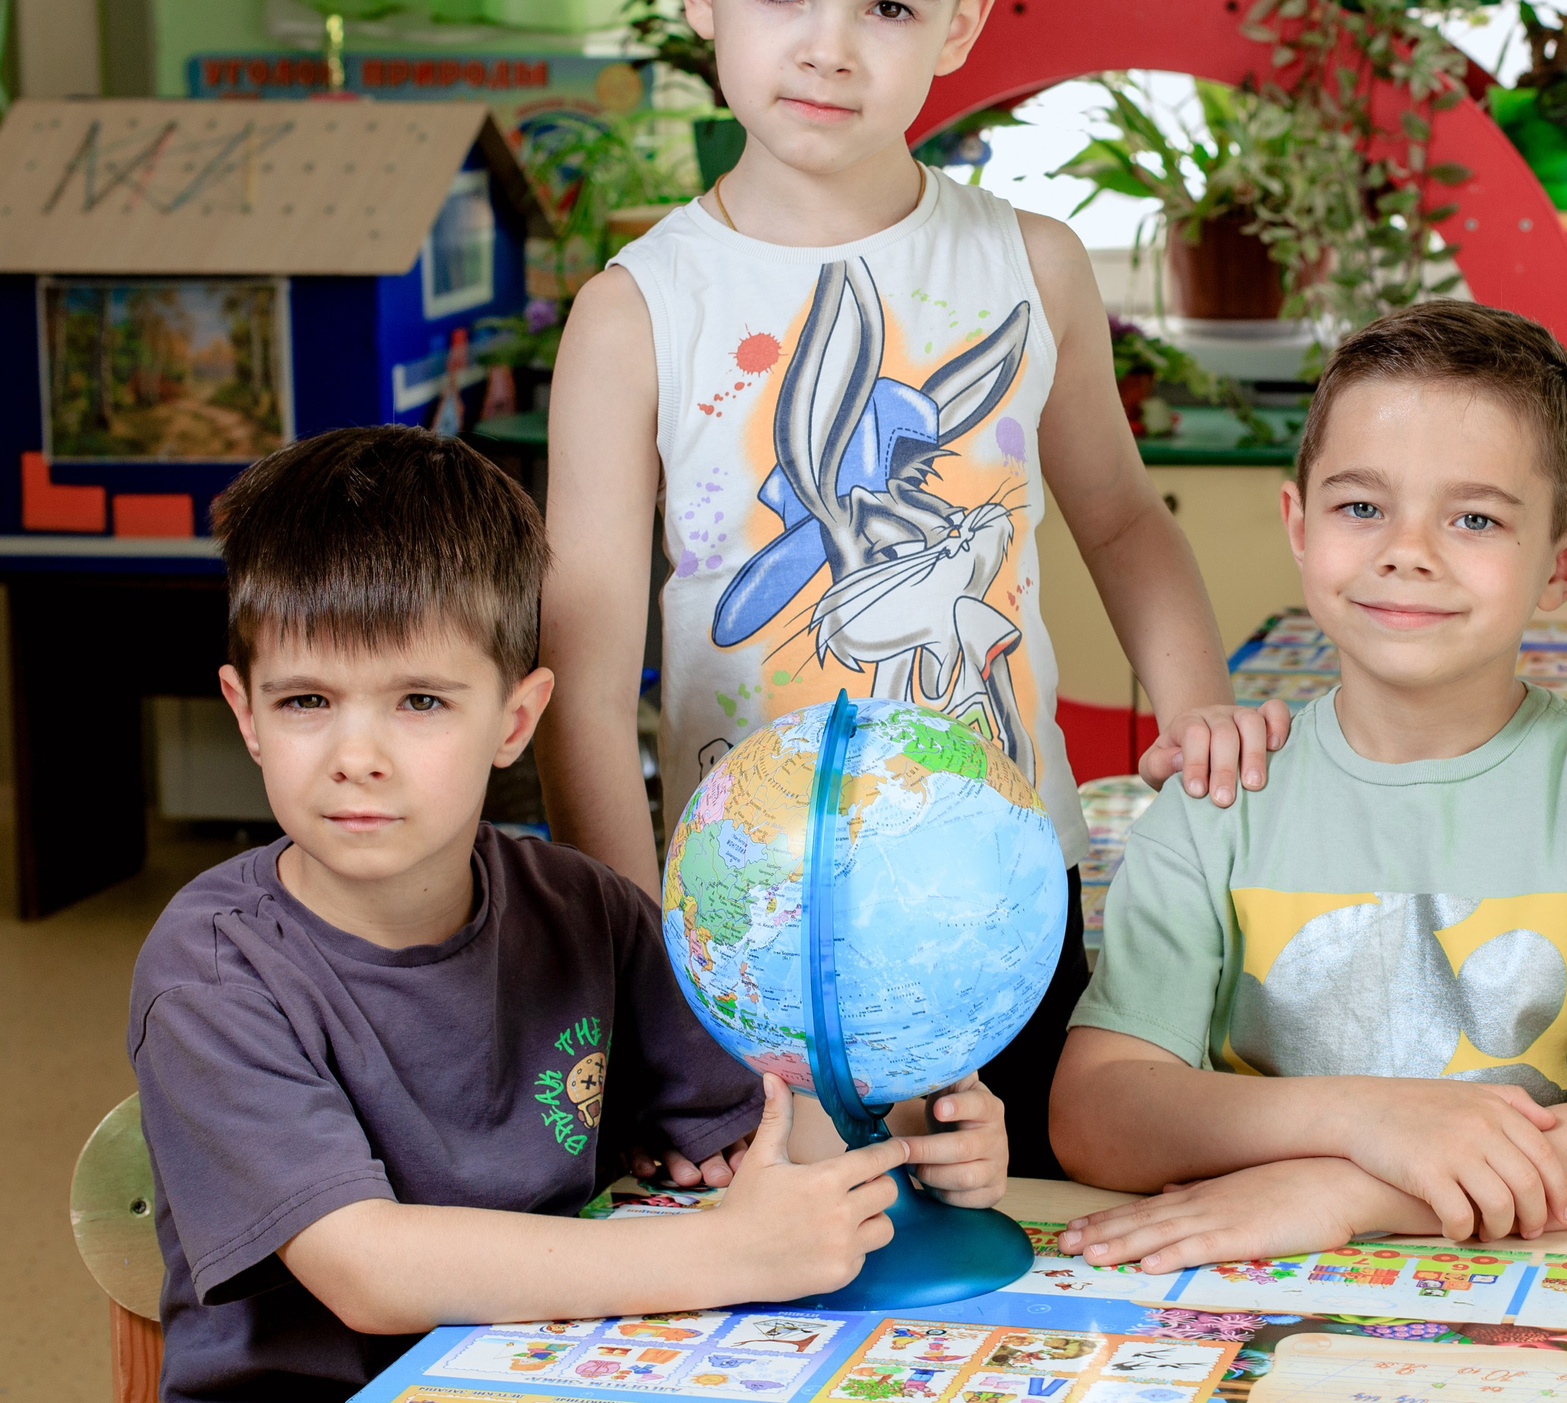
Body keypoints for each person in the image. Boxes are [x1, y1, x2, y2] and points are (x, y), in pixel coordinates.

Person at [536, 0, 1282, 1177]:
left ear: (963, 23)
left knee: (1023, 1238)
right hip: (752, 915)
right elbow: (580, 671)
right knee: (786, 1284)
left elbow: (1120, 518)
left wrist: (1196, 710)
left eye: (887, 6)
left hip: (1002, 889)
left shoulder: (1031, 264)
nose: (828, 48)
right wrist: (649, 946)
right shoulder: (636, 313)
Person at [129, 427, 1009, 1403]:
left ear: (515, 718)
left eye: (420, 700)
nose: (356, 755)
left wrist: (913, 1143)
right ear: (244, 712)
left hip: (540, 1375)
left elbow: (764, 1132)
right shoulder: (214, 970)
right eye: (305, 701)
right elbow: (368, 1270)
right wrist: (730, 1253)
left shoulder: (587, 913)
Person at [1049, 302, 1567, 1270]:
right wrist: (1366, 1117)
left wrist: (1345, 1189)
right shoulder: (1220, 796)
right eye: (1361, 507)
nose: (1407, 550)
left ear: (1563, 564)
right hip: (1249, 1288)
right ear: (1298, 523)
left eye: (1474, 517)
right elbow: (1097, 1114)